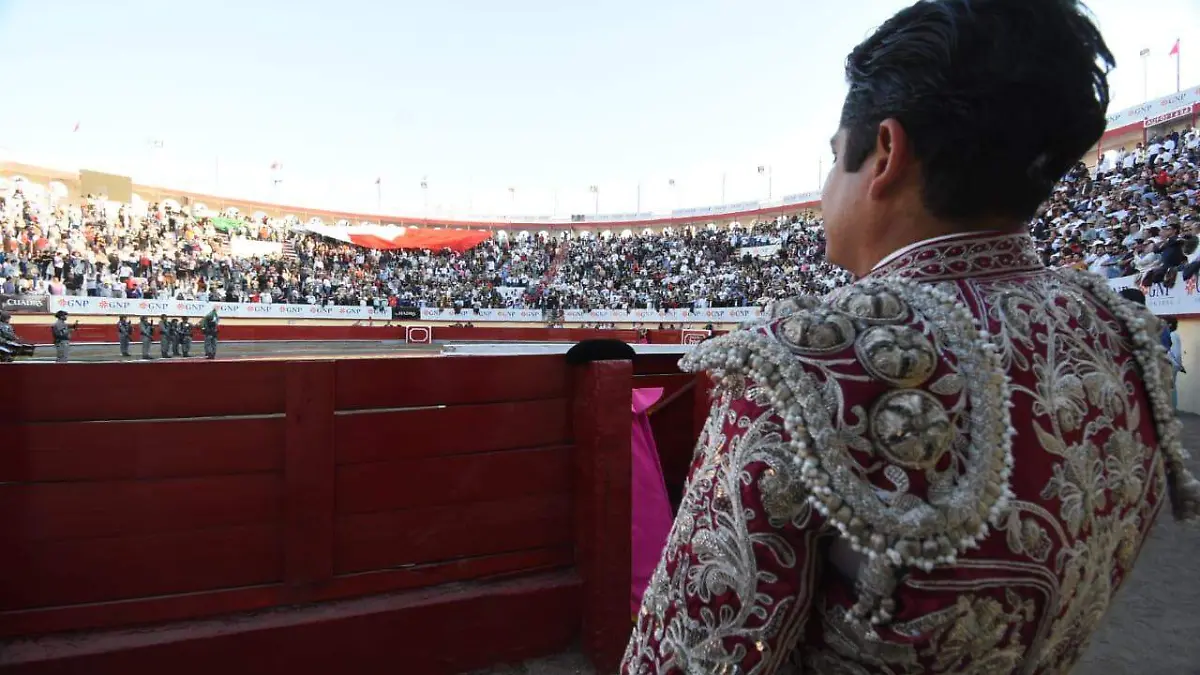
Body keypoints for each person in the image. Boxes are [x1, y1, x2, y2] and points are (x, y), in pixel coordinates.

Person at [622, 2, 1196, 674]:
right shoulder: (1117, 329)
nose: (827, 185)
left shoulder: (809, 357)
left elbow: (691, 653)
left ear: (885, 153)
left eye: (837, 158)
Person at [1164, 316, 1185, 409]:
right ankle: (1172, 408)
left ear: (1169, 324)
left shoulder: (1172, 335)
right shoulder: (1173, 335)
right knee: (1171, 387)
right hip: (1173, 364)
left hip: (1171, 364)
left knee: (1170, 387)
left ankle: (1171, 409)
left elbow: (1174, 353)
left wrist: (1178, 365)